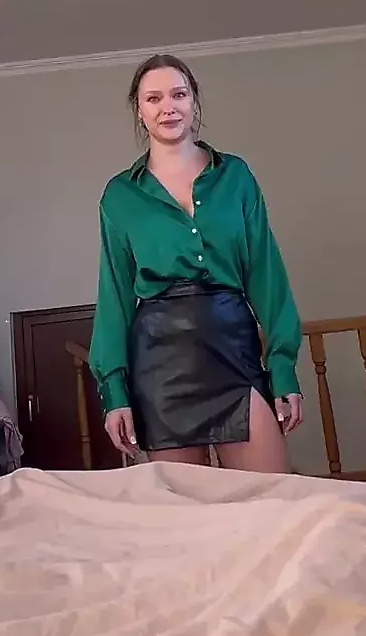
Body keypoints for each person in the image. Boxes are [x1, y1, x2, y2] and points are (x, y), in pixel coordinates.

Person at [88, 53, 305, 473]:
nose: (167, 107)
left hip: (233, 350)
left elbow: (267, 274)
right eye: (153, 98)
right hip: (161, 366)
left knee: (272, 497)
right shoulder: (120, 196)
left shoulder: (236, 176)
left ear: (193, 101)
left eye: (178, 94)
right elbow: (113, 296)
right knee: (186, 510)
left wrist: (282, 368)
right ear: (139, 110)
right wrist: (114, 392)